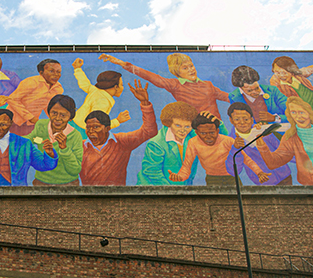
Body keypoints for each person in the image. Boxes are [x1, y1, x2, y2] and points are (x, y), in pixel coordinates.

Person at [99, 52, 230, 120]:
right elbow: (150, 76)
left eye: (191, 66)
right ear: (177, 72)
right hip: (194, 129)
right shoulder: (175, 85)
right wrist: (122, 63)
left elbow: (229, 97)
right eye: (185, 68)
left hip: (217, 127)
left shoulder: (208, 85)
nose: (191, 70)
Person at [79, 80, 158, 186]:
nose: (91, 131)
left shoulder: (122, 142)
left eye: (96, 127)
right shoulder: (79, 147)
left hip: (118, 199)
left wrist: (145, 103)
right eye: (88, 128)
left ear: (107, 128)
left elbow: (149, 131)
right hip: (88, 199)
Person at [168, 112, 269, 186]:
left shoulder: (228, 141)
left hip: (231, 178)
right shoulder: (193, 142)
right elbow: (187, 165)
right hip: (212, 179)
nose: (208, 137)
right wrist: (180, 177)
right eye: (203, 133)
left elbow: (246, 159)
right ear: (197, 132)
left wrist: (259, 173)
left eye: (211, 133)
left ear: (217, 131)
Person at [225, 102, 292, 186]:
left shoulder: (262, 130)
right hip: (265, 182)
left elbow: (280, 148)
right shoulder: (231, 141)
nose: (242, 123)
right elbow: (233, 171)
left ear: (251, 119)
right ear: (231, 120)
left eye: (245, 119)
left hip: (285, 174)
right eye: (237, 119)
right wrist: (235, 148)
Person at [25, 95, 83, 186]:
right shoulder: (41, 125)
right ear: (48, 112)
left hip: (67, 184)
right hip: (41, 181)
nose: (57, 118)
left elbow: (75, 170)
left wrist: (64, 149)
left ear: (70, 118)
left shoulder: (75, 136)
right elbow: (29, 139)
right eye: (54, 113)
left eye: (63, 115)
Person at [137, 101, 199, 185]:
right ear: (169, 123)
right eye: (178, 125)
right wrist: (172, 193)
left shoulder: (193, 138)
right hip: (158, 189)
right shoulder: (156, 143)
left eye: (187, 126)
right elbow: (152, 172)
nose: (183, 130)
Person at [70, 58, 130, 137]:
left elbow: (84, 83)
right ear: (115, 87)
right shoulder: (103, 101)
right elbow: (96, 124)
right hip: (82, 131)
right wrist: (118, 121)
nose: (123, 88)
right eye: (121, 85)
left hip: (72, 123)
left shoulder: (95, 91)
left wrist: (77, 69)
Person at [269, 56, 313, 130]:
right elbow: (278, 96)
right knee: (307, 124)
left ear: (291, 70)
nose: (281, 75)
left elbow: (311, 69)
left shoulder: (298, 74)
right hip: (301, 106)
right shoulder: (275, 81)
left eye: (284, 72)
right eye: (277, 72)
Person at [6, 59, 63, 135]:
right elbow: (12, 100)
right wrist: (30, 117)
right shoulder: (31, 82)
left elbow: (48, 106)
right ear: (41, 73)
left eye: (58, 72)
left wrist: (54, 120)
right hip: (13, 121)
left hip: (31, 125)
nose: (56, 74)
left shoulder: (58, 88)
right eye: (51, 71)